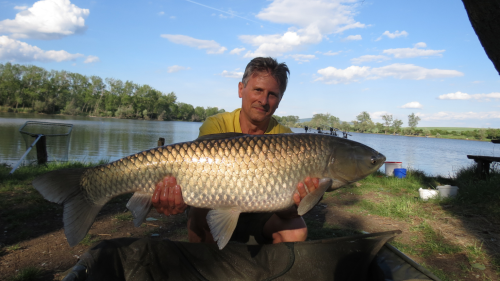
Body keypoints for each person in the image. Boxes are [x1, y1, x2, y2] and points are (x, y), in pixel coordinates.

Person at [151, 57, 320, 245]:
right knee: (198, 213)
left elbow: (288, 212)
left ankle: (266, 270)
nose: (263, 100)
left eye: (272, 94)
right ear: (241, 89)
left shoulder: (287, 139)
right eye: (258, 90)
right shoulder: (216, 125)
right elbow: (198, 182)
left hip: (263, 212)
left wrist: (298, 202)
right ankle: (208, 266)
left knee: (296, 230)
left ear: (279, 100)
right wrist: (180, 199)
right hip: (215, 205)